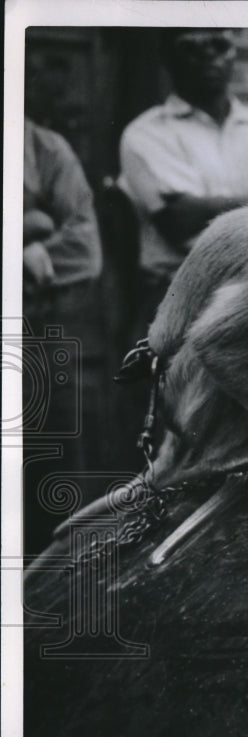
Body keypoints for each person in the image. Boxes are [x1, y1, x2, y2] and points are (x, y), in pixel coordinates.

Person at [118, 28, 248, 334]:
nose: (209, 54)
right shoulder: (145, 133)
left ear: (234, 52)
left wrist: (207, 206)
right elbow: (178, 221)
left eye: (219, 44)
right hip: (182, 296)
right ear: (167, 58)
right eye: (191, 46)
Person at [22, 118, 105, 554]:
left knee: (49, 483)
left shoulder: (44, 148)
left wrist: (36, 248)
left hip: (33, 335)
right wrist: (28, 231)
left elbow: (83, 252)